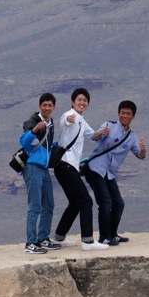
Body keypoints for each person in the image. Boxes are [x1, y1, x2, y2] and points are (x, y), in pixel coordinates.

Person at [51, 89, 110, 250]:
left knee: (75, 203)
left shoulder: (82, 121)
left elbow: (93, 136)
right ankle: (88, 241)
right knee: (86, 201)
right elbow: (66, 121)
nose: (82, 102)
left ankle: (59, 237)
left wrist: (102, 132)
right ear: (73, 102)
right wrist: (69, 119)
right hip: (66, 165)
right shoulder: (69, 115)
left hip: (66, 167)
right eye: (79, 100)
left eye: (85, 100)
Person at [85, 100, 146, 246]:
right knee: (105, 202)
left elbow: (140, 155)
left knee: (118, 203)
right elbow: (94, 137)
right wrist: (101, 133)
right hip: (95, 169)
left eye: (128, 114)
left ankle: (113, 234)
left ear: (133, 116)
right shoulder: (109, 126)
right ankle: (104, 237)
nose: (125, 116)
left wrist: (143, 149)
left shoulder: (132, 137)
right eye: (123, 113)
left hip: (109, 173)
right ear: (118, 113)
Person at [19, 93, 60, 254]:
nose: (47, 108)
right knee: (35, 205)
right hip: (32, 167)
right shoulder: (32, 121)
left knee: (48, 204)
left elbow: (47, 145)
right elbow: (24, 142)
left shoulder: (51, 123)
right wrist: (34, 131)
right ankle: (30, 242)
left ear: (54, 107)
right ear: (39, 106)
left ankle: (43, 238)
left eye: (50, 105)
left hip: (43, 168)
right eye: (44, 105)